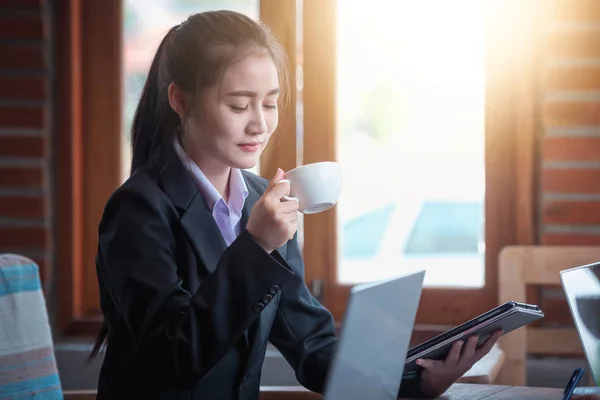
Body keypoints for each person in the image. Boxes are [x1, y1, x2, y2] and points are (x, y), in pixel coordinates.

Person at [91, 10, 502, 400]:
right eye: (238, 105)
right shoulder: (137, 210)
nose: (260, 124)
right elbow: (175, 359)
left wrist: (418, 381)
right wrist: (255, 247)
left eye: (269, 103)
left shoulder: (262, 200)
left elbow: (312, 348)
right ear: (180, 100)